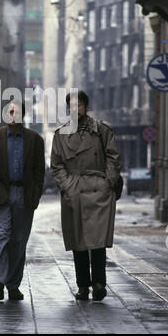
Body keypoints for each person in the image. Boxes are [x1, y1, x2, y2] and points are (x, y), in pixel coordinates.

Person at [50, 90, 121, 302]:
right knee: (78, 241)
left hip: (99, 189)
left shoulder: (101, 130)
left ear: (86, 107)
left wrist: (107, 181)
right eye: (71, 106)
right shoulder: (60, 135)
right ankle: (83, 286)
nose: (75, 109)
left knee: (97, 241)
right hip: (75, 191)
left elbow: (113, 157)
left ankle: (99, 283)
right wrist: (68, 185)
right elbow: (56, 165)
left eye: (79, 105)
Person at [0, 100, 45, 301]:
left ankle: (13, 285)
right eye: (9, 111)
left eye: (16, 112)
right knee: (2, 235)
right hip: (0, 193)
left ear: (22, 115)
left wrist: (35, 192)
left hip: (24, 194)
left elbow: (39, 170)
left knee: (19, 241)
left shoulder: (35, 139)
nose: (12, 114)